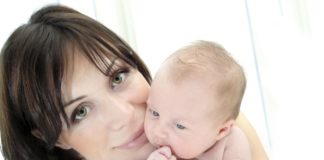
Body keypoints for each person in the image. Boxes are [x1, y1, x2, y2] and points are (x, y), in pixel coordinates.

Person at [0, 4, 268, 160]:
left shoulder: (216, 130)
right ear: (54, 138)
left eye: (118, 77)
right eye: (80, 112)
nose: (125, 115)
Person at [145, 41, 250, 160]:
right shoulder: (152, 147)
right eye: (154, 113)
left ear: (221, 131)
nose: (158, 131)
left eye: (180, 126)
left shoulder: (230, 143)